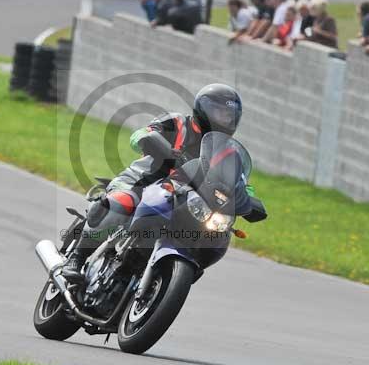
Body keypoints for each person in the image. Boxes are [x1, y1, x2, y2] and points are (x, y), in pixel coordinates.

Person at [61, 84, 245, 282]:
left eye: (228, 115)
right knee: (123, 203)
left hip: (186, 200)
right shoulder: (177, 123)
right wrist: (152, 141)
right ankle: (77, 258)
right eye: (217, 111)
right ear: (203, 108)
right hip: (141, 183)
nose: (223, 118)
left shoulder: (229, 153)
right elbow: (139, 135)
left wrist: (246, 198)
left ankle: (168, 275)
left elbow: (240, 182)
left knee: (212, 234)